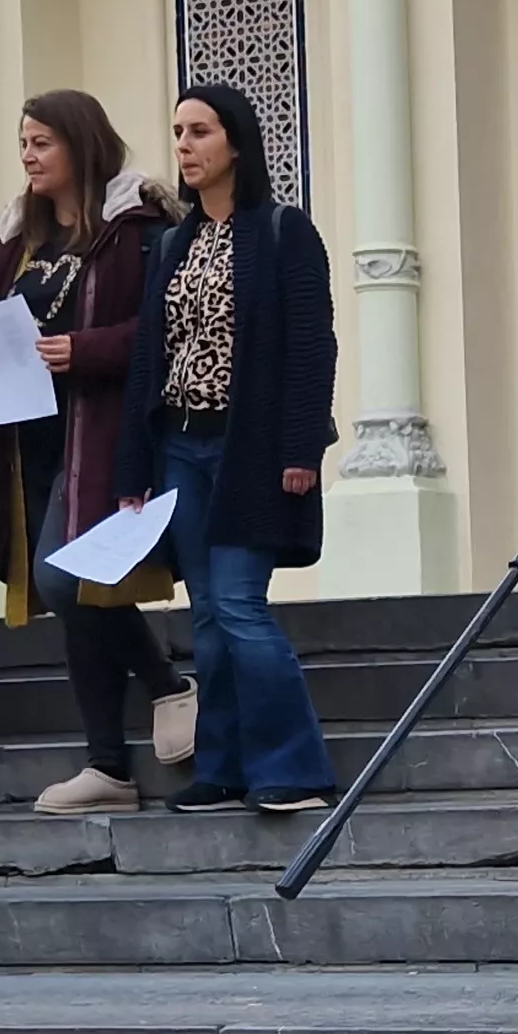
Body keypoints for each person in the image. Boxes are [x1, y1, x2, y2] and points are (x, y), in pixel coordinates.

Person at [112, 83, 338, 815]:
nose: (184, 146)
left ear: (235, 143)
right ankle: (225, 766)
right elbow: (151, 357)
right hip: (181, 447)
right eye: (178, 132)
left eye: (200, 131)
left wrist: (301, 447)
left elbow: (311, 349)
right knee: (206, 614)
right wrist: (134, 470)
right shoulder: (172, 242)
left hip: (251, 450)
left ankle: (295, 767)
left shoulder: (282, 231)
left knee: (240, 606)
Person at [0, 93, 193, 815]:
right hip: (27, 434)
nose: (29, 156)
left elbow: (168, 327)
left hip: (101, 431)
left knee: (68, 578)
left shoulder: (138, 226)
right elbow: (3, 326)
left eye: (42, 142)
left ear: (81, 144)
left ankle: (166, 684)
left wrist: (87, 349)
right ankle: (107, 767)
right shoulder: (18, 239)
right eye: (24, 142)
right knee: (74, 597)